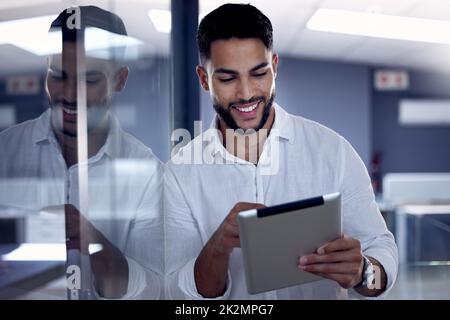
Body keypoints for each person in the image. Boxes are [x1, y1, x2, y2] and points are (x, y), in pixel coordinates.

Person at [164, 3, 398, 299]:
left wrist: (363, 270)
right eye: (227, 78)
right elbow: (176, 289)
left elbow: (383, 252)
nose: (246, 93)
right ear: (203, 78)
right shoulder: (179, 173)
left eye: (259, 73)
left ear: (274, 67)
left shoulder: (333, 151)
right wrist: (218, 247)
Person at [0, 6, 163, 299]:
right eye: (57, 76)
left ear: (120, 80)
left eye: (89, 81)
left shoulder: (149, 172)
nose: (69, 95)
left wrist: (94, 242)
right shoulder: (4, 152)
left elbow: (155, 289)